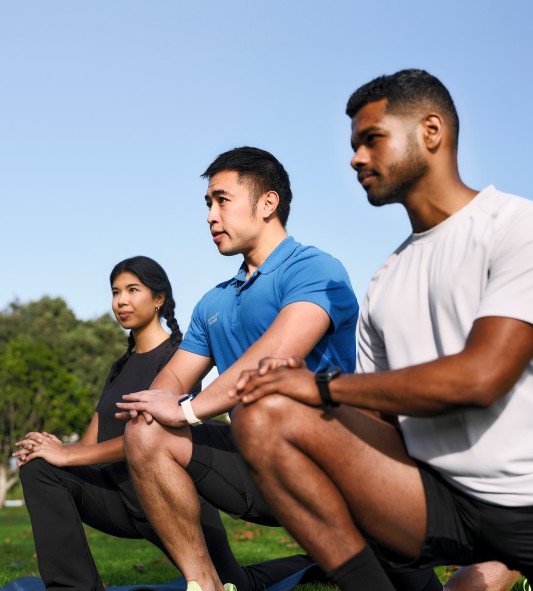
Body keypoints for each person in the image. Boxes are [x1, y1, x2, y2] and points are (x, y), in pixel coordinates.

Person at [229, 69, 533, 591]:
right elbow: (379, 419)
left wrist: (323, 386)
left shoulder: (524, 226)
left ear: (431, 132)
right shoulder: (386, 281)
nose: (355, 158)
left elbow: (481, 378)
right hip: (439, 500)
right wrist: (292, 387)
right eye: (353, 145)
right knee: (262, 412)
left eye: (372, 140)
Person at [116, 147, 444, 591]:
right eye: (207, 204)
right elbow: (173, 379)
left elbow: (273, 358)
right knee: (146, 430)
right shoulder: (213, 301)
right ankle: (205, 585)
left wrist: (190, 410)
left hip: (338, 466)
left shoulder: (313, 268)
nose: (211, 216)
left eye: (222, 200)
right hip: (257, 459)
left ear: (268, 203)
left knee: (416, 586)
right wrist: (159, 403)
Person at [14, 256, 297, 591]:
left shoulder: (179, 358)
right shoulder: (119, 366)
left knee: (237, 583)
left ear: (159, 298)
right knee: (38, 469)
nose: (121, 300)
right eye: (115, 291)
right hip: (119, 500)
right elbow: (89, 443)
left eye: (133, 289)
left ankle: (319, 562)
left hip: (173, 501)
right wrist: (52, 450)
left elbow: (155, 434)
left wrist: (69, 456)